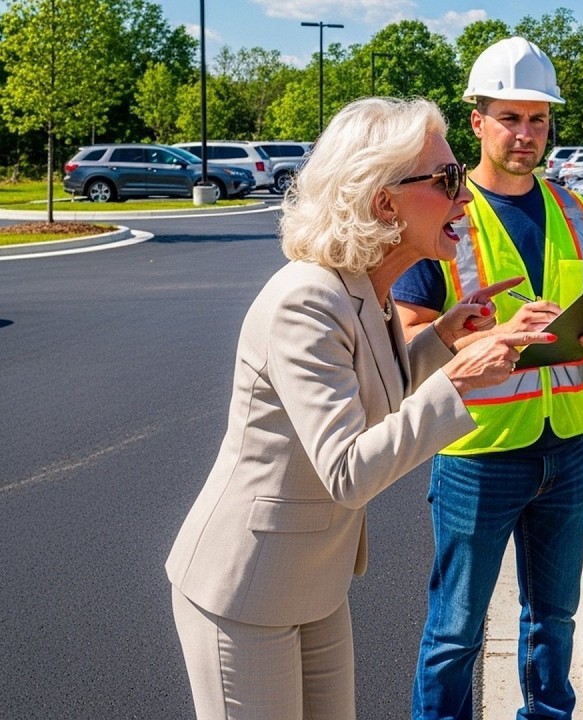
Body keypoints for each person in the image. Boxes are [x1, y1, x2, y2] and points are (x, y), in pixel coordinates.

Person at [165, 96, 554, 720]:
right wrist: (458, 379)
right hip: (245, 587)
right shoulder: (308, 303)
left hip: (315, 581)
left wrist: (445, 337)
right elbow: (348, 469)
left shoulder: (365, 287)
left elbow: (380, 393)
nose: (465, 197)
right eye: (448, 179)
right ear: (384, 202)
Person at [394, 37, 583, 720]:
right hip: (477, 451)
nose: (527, 135)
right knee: (454, 634)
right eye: (510, 119)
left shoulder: (574, 211)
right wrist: (489, 336)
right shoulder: (445, 213)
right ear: (477, 122)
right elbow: (405, 339)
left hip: (565, 445)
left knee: (555, 620)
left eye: (538, 120)